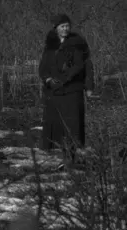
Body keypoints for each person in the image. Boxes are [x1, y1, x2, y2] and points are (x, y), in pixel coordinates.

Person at [38, 12, 94, 154]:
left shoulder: (77, 43)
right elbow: (43, 67)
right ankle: (53, 150)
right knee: (54, 121)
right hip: (53, 90)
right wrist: (48, 79)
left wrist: (88, 86)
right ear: (56, 28)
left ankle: (72, 152)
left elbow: (82, 66)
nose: (65, 29)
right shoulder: (50, 45)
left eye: (67, 26)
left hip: (72, 89)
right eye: (62, 26)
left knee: (72, 123)